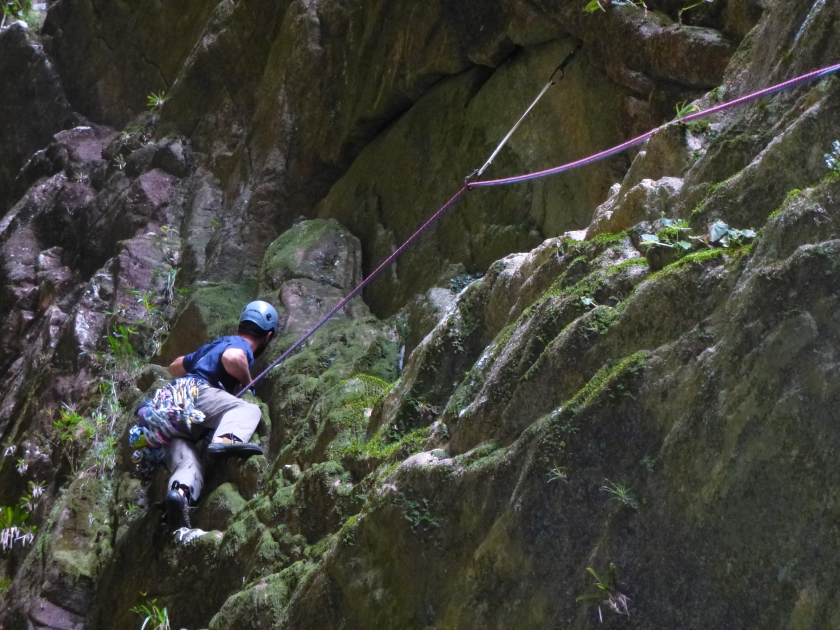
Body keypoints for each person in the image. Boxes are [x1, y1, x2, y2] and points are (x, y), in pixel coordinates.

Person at [163, 300, 278, 529]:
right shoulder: (238, 344)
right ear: (269, 336)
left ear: (240, 325)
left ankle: (180, 495)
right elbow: (232, 358)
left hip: (169, 411)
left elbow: (175, 367)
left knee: (189, 462)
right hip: (197, 396)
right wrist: (249, 384)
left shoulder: (212, 347)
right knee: (247, 409)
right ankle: (227, 439)